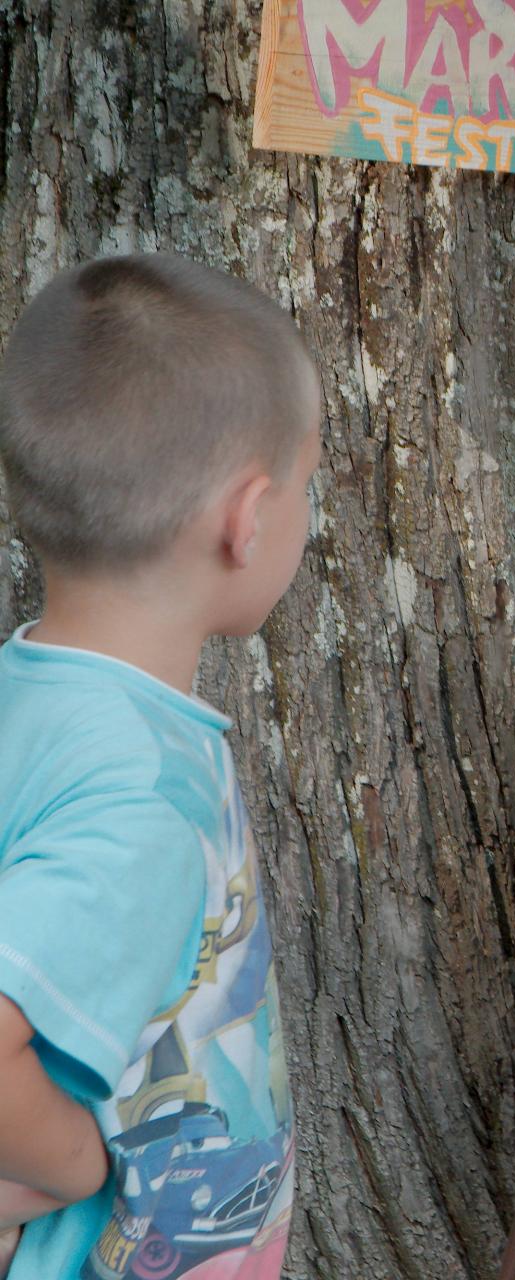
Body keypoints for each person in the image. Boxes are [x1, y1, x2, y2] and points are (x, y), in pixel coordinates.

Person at [0, 254, 314, 1279]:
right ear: (249, 515)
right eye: (307, 487)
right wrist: (75, 1159)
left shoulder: (34, 694)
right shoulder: (142, 797)